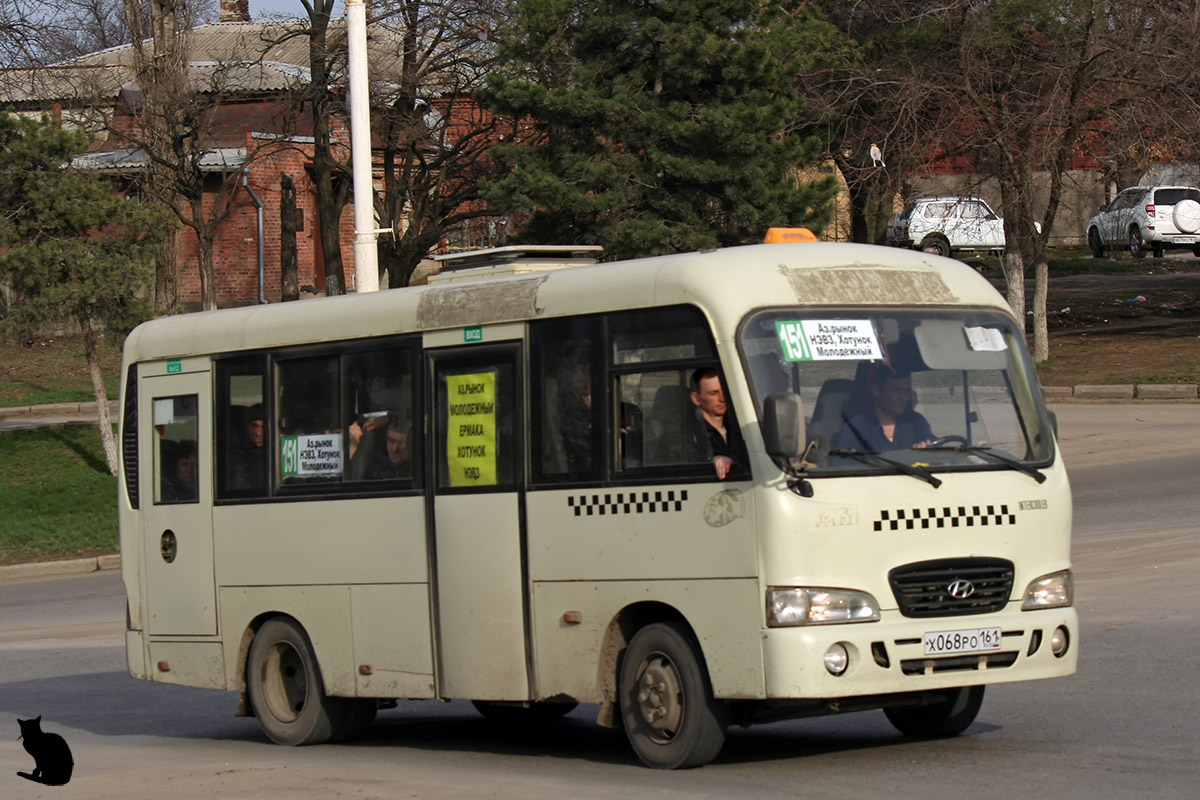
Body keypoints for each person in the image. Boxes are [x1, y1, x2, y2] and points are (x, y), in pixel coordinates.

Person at [831, 365, 933, 452]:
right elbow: (843, 467)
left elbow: (931, 443)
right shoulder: (857, 428)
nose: (903, 398)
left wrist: (924, 447)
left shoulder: (916, 422)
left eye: (906, 391)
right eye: (897, 391)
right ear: (877, 391)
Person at [690, 367, 742, 480]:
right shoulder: (688, 431)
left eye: (724, 391)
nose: (722, 399)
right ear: (696, 399)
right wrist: (714, 459)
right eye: (713, 393)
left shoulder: (740, 426)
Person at [352, 416, 414, 480]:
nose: (395, 449)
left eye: (401, 442)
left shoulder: (420, 470)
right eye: (391, 441)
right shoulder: (376, 469)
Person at [229, 403, 265, 491]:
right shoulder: (237, 457)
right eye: (254, 426)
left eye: (263, 427)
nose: (258, 433)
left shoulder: (277, 453)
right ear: (246, 428)